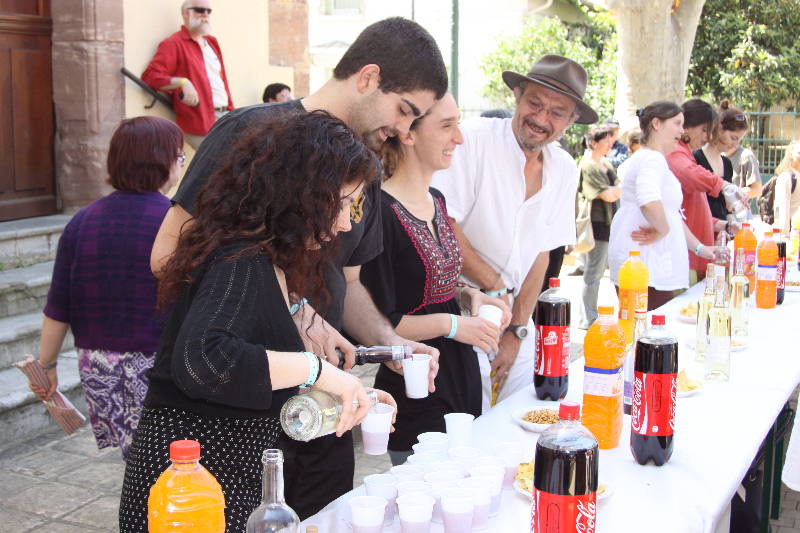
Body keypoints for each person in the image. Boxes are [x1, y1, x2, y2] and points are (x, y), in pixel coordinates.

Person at [148, 16, 448, 519]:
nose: (403, 130)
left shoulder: (363, 168)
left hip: (316, 416)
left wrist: (387, 344)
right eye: (404, 110)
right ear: (368, 77)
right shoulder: (247, 132)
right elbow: (171, 258)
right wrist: (292, 314)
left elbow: (347, 284)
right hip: (229, 413)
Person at [119, 112, 398, 533]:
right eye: (343, 204)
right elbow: (204, 360)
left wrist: (350, 397)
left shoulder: (266, 260)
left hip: (215, 484)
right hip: (188, 495)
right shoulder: (242, 259)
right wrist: (318, 371)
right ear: (303, 194)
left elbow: (255, 381)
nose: (346, 223)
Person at [432, 54, 598, 409]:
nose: (541, 118)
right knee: (468, 423)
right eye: (534, 103)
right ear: (517, 95)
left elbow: (542, 253)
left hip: (514, 320)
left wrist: (517, 332)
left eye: (557, 112)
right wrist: (495, 285)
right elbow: (443, 222)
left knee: (530, 415)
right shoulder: (474, 139)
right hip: (455, 311)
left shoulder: (564, 168)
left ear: (572, 120)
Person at [361, 94, 511, 465]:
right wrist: (453, 325)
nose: (458, 138)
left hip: (461, 379)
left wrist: (470, 296)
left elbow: (429, 284)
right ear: (408, 134)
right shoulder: (380, 211)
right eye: (447, 126)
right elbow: (382, 323)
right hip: (417, 385)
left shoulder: (437, 200)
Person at [26, 116, 183, 459]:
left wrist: (46, 366)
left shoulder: (82, 221)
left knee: (134, 457)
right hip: (160, 363)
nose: (181, 164)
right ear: (164, 162)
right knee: (169, 461)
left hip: (99, 365)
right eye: (179, 156)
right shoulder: (175, 222)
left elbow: (58, 306)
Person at [609, 102, 728, 310]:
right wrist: (662, 229)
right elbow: (648, 201)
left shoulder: (653, 158)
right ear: (656, 124)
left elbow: (671, 215)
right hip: (647, 266)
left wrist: (700, 248)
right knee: (647, 325)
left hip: (649, 265)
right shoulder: (652, 159)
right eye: (677, 124)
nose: (682, 131)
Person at [141, 0, 233, 149]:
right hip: (201, 120)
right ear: (186, 13)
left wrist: (231, 110)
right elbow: (150, 76)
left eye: (208, 11)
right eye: (199, 10)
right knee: (218, 161)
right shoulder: (174, 43)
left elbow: (221, 81)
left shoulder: (211, 42)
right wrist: (183, 82)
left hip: (226, 116)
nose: (205, 15)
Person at [666, 99, 731, 283]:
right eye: (704, 130)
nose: (707, 137)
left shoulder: (686, 155)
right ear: (687, 126)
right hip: (686, 256)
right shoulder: (676, 153)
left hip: (696, 255)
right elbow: (689, 174)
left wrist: (722, 225)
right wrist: (724, 186)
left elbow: (691, 212)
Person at [578, 125, 619, 329]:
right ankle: (588, 318)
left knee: (596, 272)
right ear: (594, 143)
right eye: (606, 141)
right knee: (593, 273)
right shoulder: (588, 166)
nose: (610, 144)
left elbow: (616, 188)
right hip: (596, 224)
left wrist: (615, 189)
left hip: (608, 223)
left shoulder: (606, 164)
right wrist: (616, 189)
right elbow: (608, 194)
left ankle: (588, 316)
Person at [717, 101, 762, 200]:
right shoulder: (708, 155)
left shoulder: (746, 156)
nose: (735, 144)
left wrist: (732, 193)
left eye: (740, 140)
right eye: (733, 138)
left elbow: (757, 189)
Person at [773, 140, 800, 235]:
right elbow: (780, 209)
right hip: (793, 235)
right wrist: (784, 236)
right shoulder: (786, 177)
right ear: (791, 155)